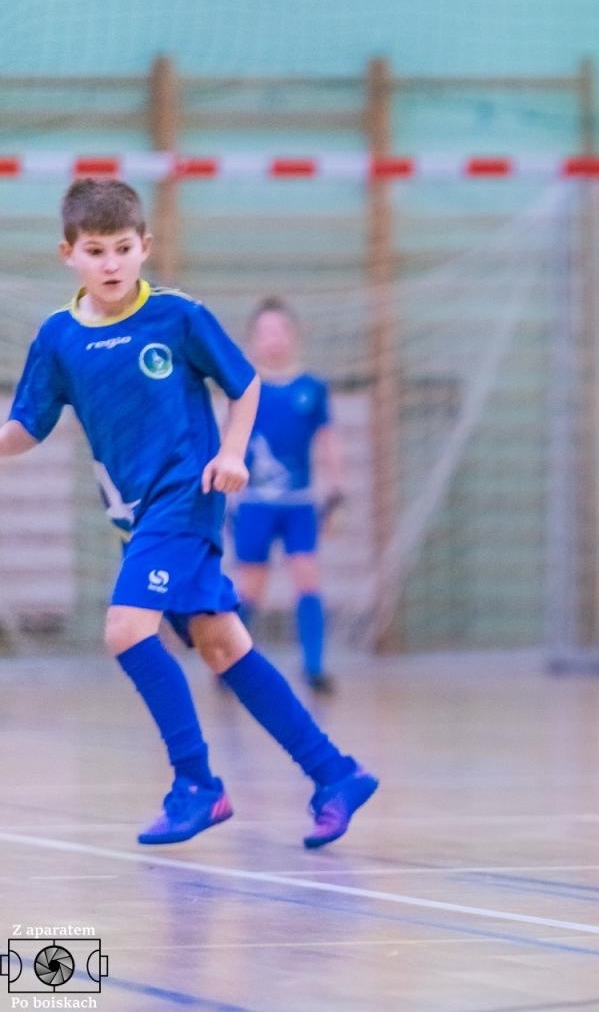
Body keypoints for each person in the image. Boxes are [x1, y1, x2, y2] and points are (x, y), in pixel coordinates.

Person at [0, 179, 378, 848]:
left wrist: (231, 452)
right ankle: (335, 773)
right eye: (96, 250)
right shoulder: (59, 337)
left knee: (125, 629)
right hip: (135, 517)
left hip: (186, 498)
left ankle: (197, 784)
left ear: (145, 246)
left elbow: (245, 382)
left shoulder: (177, 316)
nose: (111, 263)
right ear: (69, 254)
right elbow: (27, 425)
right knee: (223, 644)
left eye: (123, 248)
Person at [232, 296, 344, 695]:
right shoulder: (244, 386)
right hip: (254, 503)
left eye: (281, 330)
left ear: (294, 336)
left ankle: (314, 667)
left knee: (307, 577)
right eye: (265, 332)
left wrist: (337, 492)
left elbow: (328, 439)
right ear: (253, 339)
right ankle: (231, 664)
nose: (274, 339)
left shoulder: (312, 388)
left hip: (298, 504)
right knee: (250, 588)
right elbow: (228, 438)